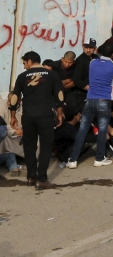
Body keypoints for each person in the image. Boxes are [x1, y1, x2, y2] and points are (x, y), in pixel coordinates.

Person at [7, 51, 65, 189]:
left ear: (30, 61)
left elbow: (15, 97)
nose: (24, 66)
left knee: (29, 147)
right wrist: (59, 114)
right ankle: (42, 179)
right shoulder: (52, 75)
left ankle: (31, 177)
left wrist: (13, 116)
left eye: (24, 63)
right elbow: (60, 96)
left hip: (28, 117)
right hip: (45, 116)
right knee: (45, 147)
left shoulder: (21, 77)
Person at [66, 45, 113, 168]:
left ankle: (73, 160)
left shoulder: (93, 61)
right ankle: (99, 158)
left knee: (83, 129)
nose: (88, 50)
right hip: (102, 100)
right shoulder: (110, 64)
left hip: (89, 99)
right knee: (102, 130)